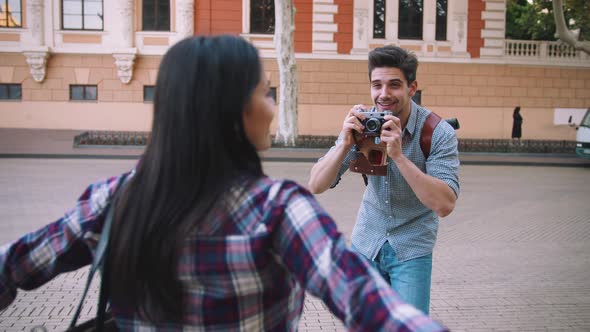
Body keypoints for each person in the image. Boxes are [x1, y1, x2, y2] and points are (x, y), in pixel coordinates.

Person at [0, 36, 447, 331]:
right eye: (263, 92)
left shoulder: (116, 198)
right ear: (233, 110)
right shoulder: (278, 211)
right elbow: (366, 302)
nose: (272, 108)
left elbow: (17, 262)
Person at [308, 45, 460, 315]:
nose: (383, 94)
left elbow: (445, 204)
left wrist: (399, 156)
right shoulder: (363, 124)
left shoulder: (437, 132)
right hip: (367, 243)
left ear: (412, 88)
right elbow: (317, 184)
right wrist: (344, 143)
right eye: (376, 85)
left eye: (394, 85)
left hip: (412, 249)